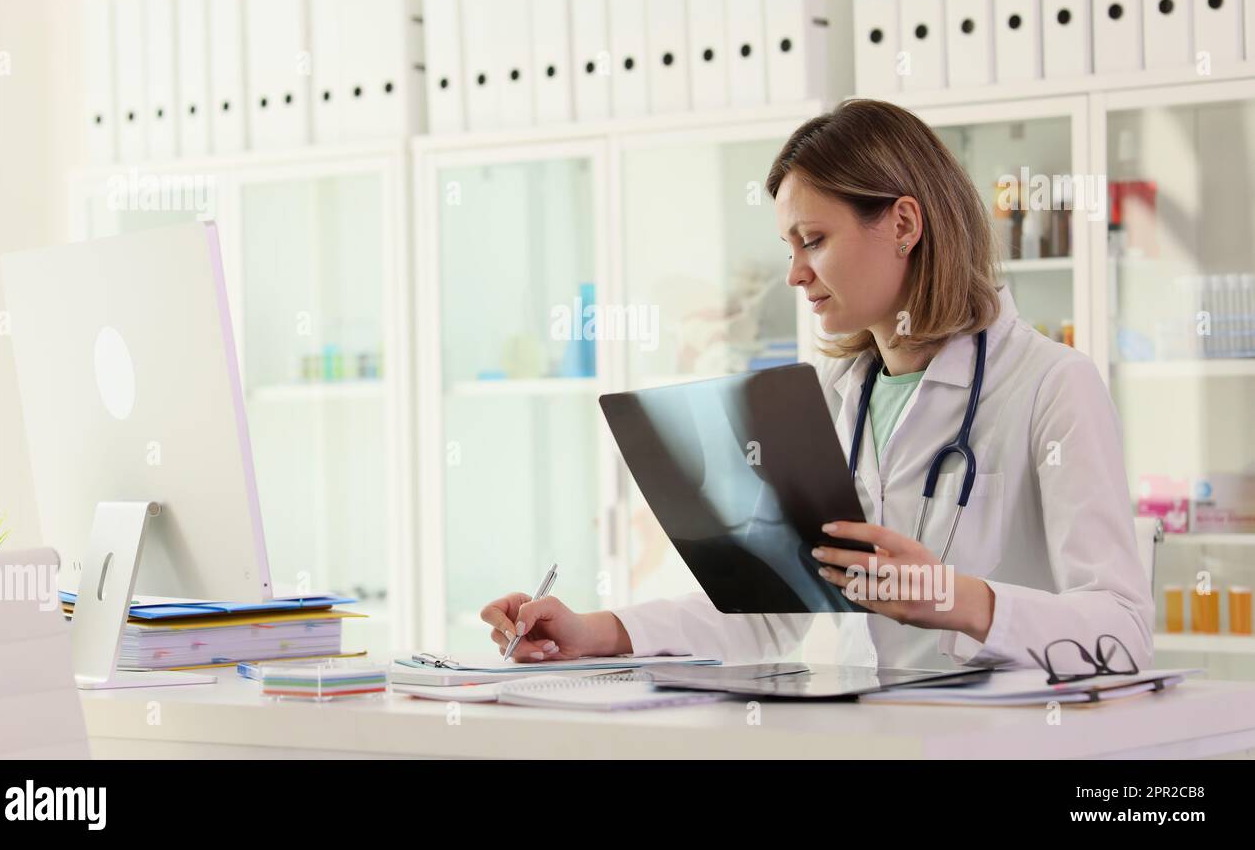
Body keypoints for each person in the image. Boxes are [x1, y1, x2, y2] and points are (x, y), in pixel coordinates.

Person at [480, 98, 1153, 671]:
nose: (795, 273)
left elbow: (1121, 630)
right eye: (789, 247)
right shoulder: (834, 398)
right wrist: (593, 631)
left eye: (814, 239)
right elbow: (769, 615)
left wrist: (958, 598)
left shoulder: (1053, 386)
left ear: (904, 225)